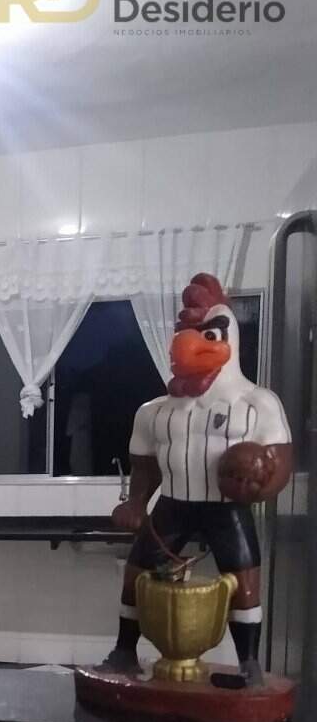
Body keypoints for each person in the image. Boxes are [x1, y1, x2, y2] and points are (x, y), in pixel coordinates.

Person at [104, 273, 292, 684]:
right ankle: (123, 651)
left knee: (244, 582)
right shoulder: (154, 411)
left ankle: (249, 665)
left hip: (227, 508)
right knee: (137, 572)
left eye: (208, 333)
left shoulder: (258, 404)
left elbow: (280, 460)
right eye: (185, 334)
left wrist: (262, 478)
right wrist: (137, 501)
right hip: (173, 503)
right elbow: (145, 464)